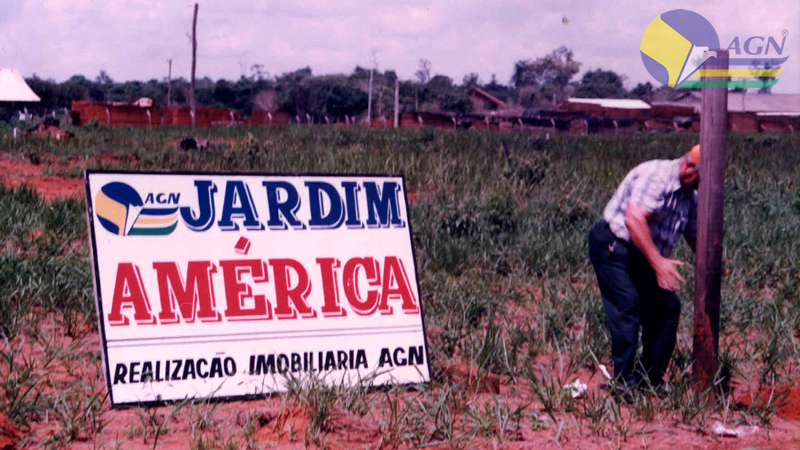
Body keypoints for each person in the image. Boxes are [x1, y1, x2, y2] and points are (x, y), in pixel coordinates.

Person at [588, 144, 700, 392]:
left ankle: (649, 380)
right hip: (613, 246)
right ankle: (622, 382)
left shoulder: (689, 196)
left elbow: (696, 235)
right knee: (628, 303)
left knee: (668, 306)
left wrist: (715, 262)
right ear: (688, 166)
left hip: (642, 254)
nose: (701, 184)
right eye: (701, 178)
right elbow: (634, 219)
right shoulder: (655, 176)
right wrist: (658, 263)